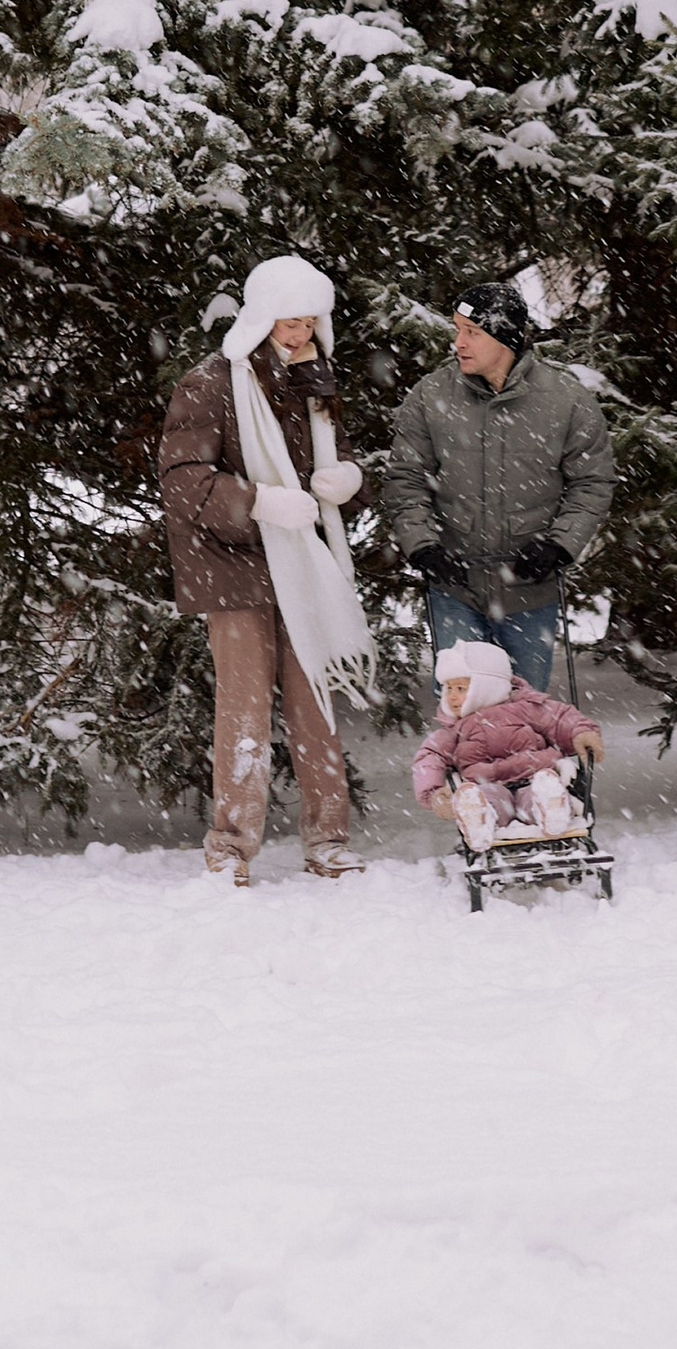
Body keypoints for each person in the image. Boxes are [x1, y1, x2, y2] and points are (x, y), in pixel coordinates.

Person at [158, 251, 373, 885]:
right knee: (245, 709)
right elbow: (183, 479)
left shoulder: (317, 378)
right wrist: (256, 503)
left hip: (304, 562)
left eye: (310, 322)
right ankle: (230, 846)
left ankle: (328, 838)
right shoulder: (210, 382)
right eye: (289, 322)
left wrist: (348, 481)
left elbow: (330, 458)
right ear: (261, 318)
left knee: (315, 701)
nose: (300, 333)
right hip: (234, 568)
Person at [381, 276, 615, 690]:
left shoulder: (566, 400)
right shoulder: (431, 395)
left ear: (504, 336)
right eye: (457, 331)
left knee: (526, 716)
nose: (459, 343)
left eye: (471, 332)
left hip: (530, 587)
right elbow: (406, 479)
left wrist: (560, 545)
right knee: (461, 714)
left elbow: (592, 483)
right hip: (454, 583)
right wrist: (423, 545)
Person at [411, 636, 604, 848]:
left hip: (534, 778)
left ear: (487, 685)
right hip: (488, 786)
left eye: (460, 689)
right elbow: (430, 756)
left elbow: (560, 718)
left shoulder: (525, 707)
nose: (452, 697)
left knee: (537, 795)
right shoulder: (455, 729)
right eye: (448, 689)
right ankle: (479, 818)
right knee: (488, 802)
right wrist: (434, 792)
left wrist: (581, 732)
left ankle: (551, 808)